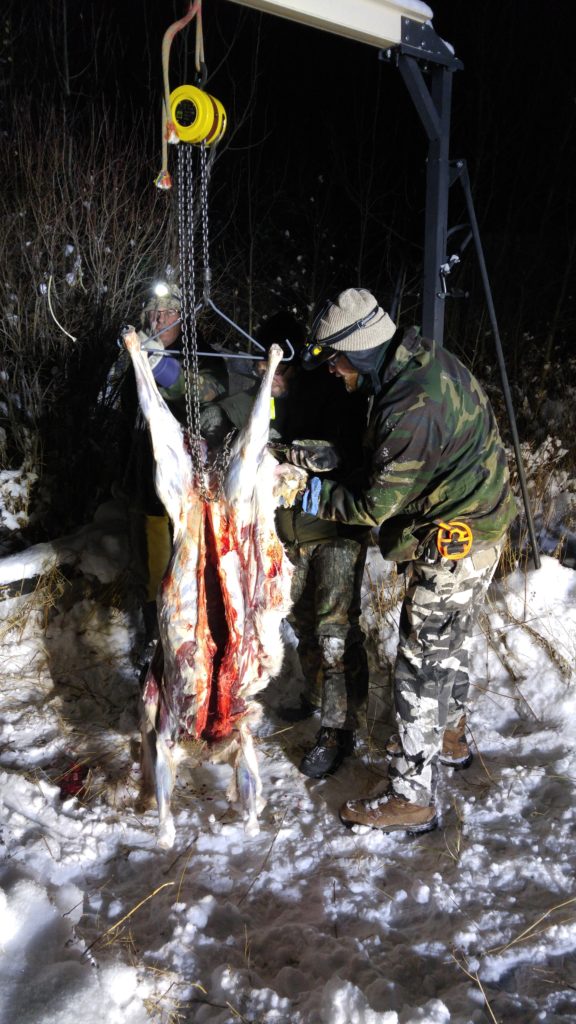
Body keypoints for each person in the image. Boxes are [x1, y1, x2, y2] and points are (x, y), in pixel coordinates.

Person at [300, 287, 517, 832]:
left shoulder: (412, 403)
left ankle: (410, 796)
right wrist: (344, 458)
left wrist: (310, 495)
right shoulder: (416, 360)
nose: (331, 369)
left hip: (457, 543)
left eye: (334, 357)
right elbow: (403, 460)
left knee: (419, 663)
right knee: (450, 640)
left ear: (360, 348)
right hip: (481, 526)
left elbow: (376, 505)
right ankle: (450, 734)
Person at [216, 311, 371, 779]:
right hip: (291, 534)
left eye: (276, 368)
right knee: (301, 621)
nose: (269, 377)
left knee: (335, 632)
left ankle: (339, 730)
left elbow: (361, 450)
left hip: (335, 531)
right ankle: (317, 696)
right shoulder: (260, 399)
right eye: (263, 368)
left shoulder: (330, 391)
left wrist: (322, 457)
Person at [116, 281, 228, 641]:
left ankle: (195, 638)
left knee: (189, 567)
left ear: (181, 317)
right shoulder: (137, 356)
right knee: (151, 567)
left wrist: (164, 369)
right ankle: (154, 640)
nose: (158, 319)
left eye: (166, 313)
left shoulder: (201, 353)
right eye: (152, 313)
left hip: (188, 489)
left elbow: (211, 392)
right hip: (144, 484)